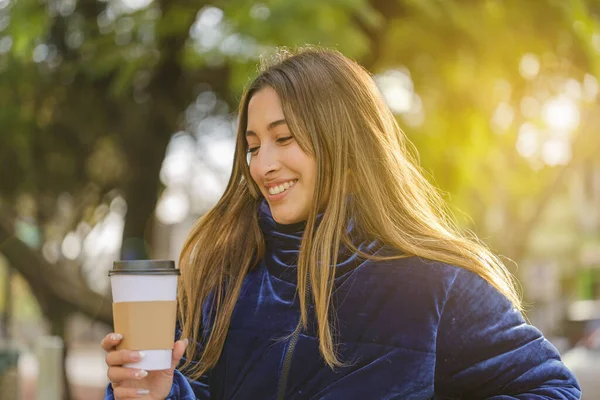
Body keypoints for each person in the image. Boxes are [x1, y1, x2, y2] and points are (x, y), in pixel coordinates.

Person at [102, 47, 581, 399]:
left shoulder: (436, 287)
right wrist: (152, 392)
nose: (262, 164)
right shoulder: (219, 281)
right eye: (252, 145)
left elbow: (554, 391)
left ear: (343, 141)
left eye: (283, 138)